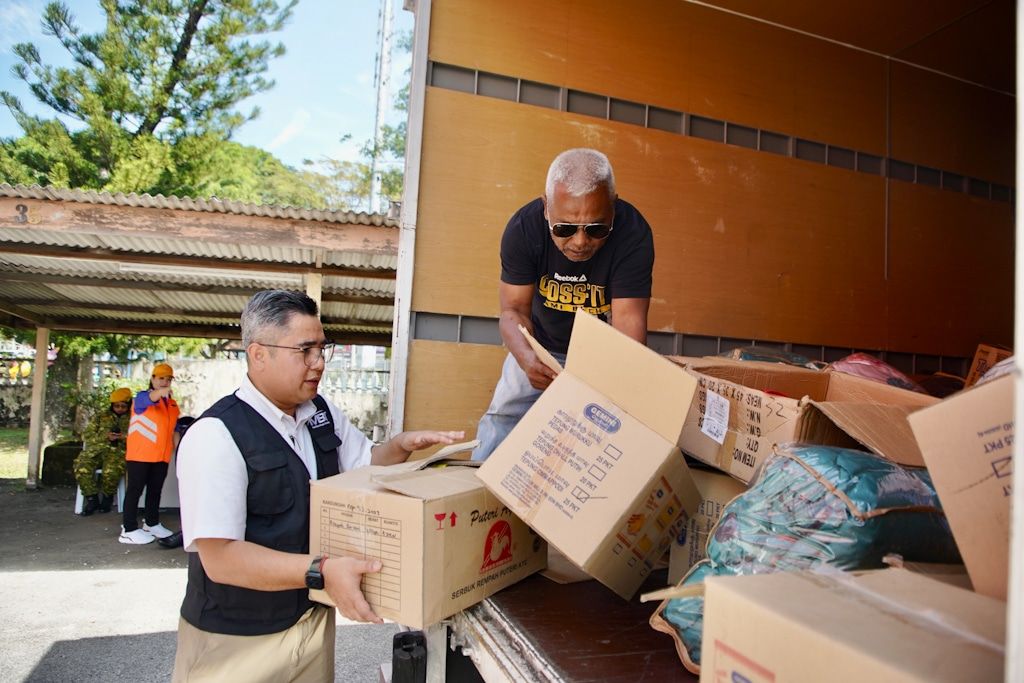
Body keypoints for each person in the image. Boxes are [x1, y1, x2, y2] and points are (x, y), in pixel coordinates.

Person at [172, 289, 464, 682]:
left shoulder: (319, 414)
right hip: (235, 639)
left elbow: (365, 467)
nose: (319, 364)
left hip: (311, 623)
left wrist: (400, 446)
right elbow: (220, 558)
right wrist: (322, 570)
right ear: (259, 354)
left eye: (322, 350)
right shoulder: (216, 435)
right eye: (305, 350)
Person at [471, 148, 655, 461]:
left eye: (596, 229)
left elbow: (628, 324)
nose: (580, 242)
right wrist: (527, 357)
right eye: (564, 228)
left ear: (613, 207)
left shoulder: (633, 233)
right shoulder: (524, 229)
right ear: (546, 209)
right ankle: (479, 498)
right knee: (505, 416)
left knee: (605, 435)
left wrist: (609, 389)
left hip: (602, 351)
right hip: (540, 344)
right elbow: (513, 311)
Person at [120, 362, 180, 544]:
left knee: (155, 491)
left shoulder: (171, 403)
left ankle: (152, 523)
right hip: (140, 455)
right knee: (135, 491)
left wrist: (178, 447)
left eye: (168, 379)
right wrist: (159, 393)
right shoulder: (142, 397)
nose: (165, 382)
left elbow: (174, 427)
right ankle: (128, 529)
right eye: (161, 378)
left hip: (161, 456)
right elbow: (149, 399)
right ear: (153, 379)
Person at [73, 387, 131, 516]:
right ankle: (92, 498)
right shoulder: (101, 416)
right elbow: (87, 435)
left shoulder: (134, 417)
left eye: (123, 406)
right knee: (81, 466)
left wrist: (123, 437)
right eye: (117, 406)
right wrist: (105, 436)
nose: (120, 409)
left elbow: (139, 438)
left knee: (111, 471)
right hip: (97, 449)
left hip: (118, 451)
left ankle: (107, 497)